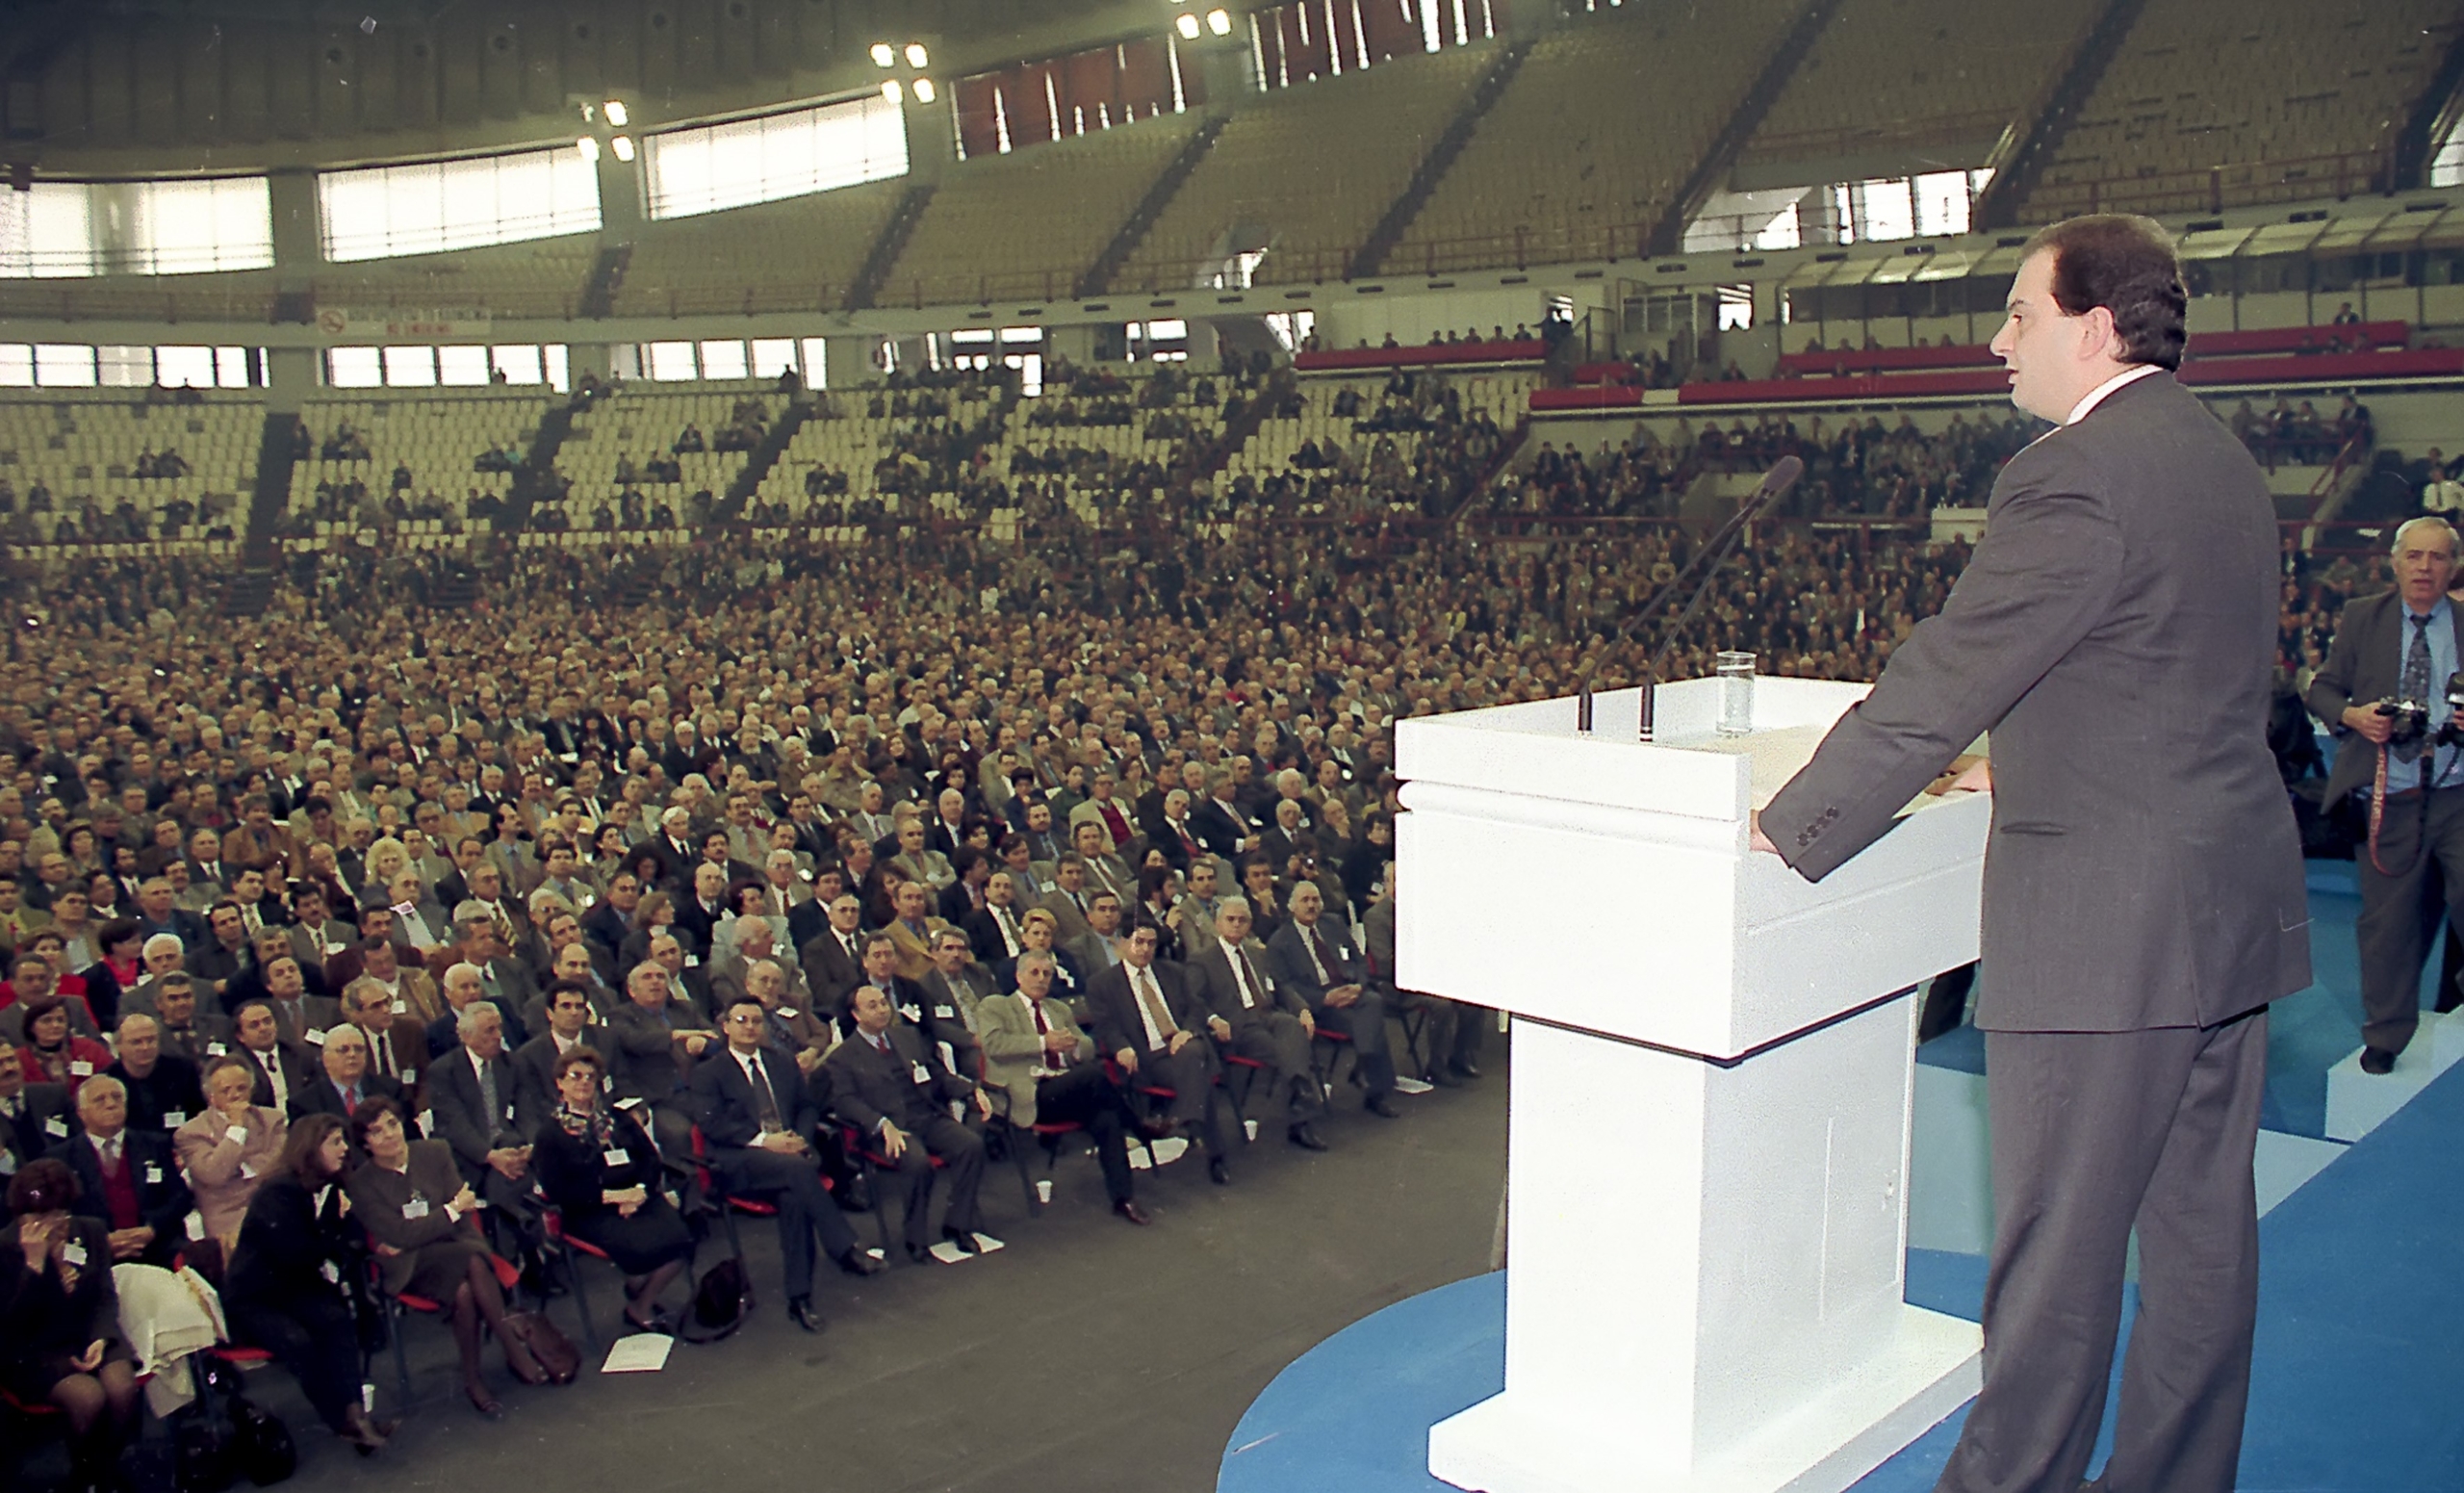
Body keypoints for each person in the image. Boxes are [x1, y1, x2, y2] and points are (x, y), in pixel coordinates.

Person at [1753, 214, 2310, 1493]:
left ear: (2095, 328)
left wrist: (1792, 820)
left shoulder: (2072, 472)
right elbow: (2161, 665)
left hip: (2105, 930)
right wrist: (2036, 754)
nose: (1998, 341)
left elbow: (1946, 676)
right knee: (2200, 1243)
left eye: (2019, 314)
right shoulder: (2220, 457)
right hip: (2226, 902)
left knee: (2055, 1260)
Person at [2303, 516, 2464, 1073]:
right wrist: (2353, 717)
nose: (2424, 567)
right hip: (2385, 796)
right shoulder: (2361, 617)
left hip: (2456, 794)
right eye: (2414, 556)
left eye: (2437, 557)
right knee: (2386, 928)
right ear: (2394, 563)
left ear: (2452, 567)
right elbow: (2323, 688)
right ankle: (2386, 1035)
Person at [689, 994, 885, 1333]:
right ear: (726, 1027)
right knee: (799, 1171)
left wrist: (800, 1139)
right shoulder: (709, 1073)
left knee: (795, 1196)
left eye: (756, 1021)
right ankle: (845, 1248)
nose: (750, 1027)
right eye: (741, 1021)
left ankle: (800, 1298)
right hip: (741, 1161)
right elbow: (712, 1124)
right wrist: (767, 1142)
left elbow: (807, 1106)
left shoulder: (780, 1062)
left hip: (791, 1157)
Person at [345, 1097, 550, 1416]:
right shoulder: (362, 1183)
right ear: (365, 1144)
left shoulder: (435, 1151)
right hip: (411, 1265)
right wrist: (449, 1212)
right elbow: (403, 1234)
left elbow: (460, 1218)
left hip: (455, 1247)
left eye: (392, 1124)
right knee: (471, 1260)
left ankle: (473, 1381)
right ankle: (513, 1348)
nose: (389, 1135)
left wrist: (431, 1225)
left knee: (465, 1290)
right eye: (376, 1132)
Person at [223, 1115, 394, 1454]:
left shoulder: (330, 1187)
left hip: (294, 1287)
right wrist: (334, 1228)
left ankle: (356, 1415)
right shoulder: (279, 1191)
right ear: (311, 1147)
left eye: (343, 1141)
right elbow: (297, 1253)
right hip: (254, 1297)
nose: (345, 1149)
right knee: (298, 1341)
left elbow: (344, 1246)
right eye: (335, 1142)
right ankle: (342, 1422)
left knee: (337, 1320)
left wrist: (339, 1230)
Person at [0, 1159, 143, 1490]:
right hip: (35, 1352)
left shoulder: (90, 1231)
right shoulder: (5, 1248)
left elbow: (104, 1296)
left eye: (60, 1215)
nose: (53, 1225)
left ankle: (106, 1469)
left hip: (87, 1334)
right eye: (40, 1218)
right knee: (88, 1397)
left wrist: (101, 1338)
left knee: (122, 1387)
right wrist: (35, 1268)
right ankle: (83, 1474)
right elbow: (11, 1327)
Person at [976, 950, 1148, 1223]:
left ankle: (1123, 1199)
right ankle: (1140, 1127)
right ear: (1018, 976)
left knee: (1106, 1117)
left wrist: (1074, 1046)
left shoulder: (1059, 1009)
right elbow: (993, 1045)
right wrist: (1043, 1042)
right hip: (1031, 1094)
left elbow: (1088, 1046)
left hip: (1068, 1089)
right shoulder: (996, 1006)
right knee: (1093, 1076)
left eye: (1047, 974)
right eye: (1034, 972)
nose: (1041, 979)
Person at [823, 984, 992, 1261]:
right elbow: (845, 1102)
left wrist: (971, 1091)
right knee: (917, 1161)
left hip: (926, 1116)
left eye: (883, 1003)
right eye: (872, 1006)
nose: (882, 1010)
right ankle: (915, 1237)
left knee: (970, 1145)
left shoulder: (907, 1036)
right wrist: (881, 1123)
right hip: (889, 1128)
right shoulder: (843, 1056)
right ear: (856, 1014)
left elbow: (937, 1075)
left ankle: (958, 1224)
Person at [532, 1046, 693, 1334]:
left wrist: (640, 1191)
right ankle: (641, 1301)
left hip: (638, 1197)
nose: (584, 1082)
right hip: (590, 1209)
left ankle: (640, 1300)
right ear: (560, 1082)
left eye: (590, 1077)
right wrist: (613, 1197)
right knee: (645, 1250)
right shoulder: (550, 1134)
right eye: (575, 1076)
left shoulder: (618, 1118)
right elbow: (558, 1190)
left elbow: (650, 1159)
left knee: (683, 1240)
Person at [1088, 923, 1232, 1184]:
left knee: (1193, 1053)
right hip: (1148, 1059)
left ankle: (1193, 1124)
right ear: (1123, 943)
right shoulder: (1103, 984)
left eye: (1151, 943)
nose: (1145, 949)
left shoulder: (1173, 972)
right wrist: (1121, 1047)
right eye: (1139, 942)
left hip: (1183, 1047)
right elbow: (1105, 1026)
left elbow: (1196, 1008)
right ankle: (1210, 1148)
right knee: (1198, 1070)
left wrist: (1186, 1031)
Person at [1189, 895, 1326, 1150]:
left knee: (1291, 1025)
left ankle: (1300, 1094)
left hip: (1267, 1013)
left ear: (1249, 925)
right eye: (1230, 919)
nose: (1236, 924)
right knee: (1284, 1050)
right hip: (1238, 1024)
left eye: (1242, 920)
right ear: (1218, 923)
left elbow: (1281, 986)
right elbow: (1193, 1000)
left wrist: (1302, 1008)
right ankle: (1301, 1113)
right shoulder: (1203, 959)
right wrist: (1213, 1019)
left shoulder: (1257, 953)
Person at [1266, 882, 1400, 1120]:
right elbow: (1285, 987)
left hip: (1348, 990)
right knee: (1369, 1021)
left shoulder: (1333, 924)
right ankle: (1374, 1089)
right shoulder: (1279, 942)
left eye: (1315, 899)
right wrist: (1324, 998)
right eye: (1305, 900)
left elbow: (1360, 960)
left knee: (1372, 1001)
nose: (1311, 905)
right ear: (1292, 906)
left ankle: (1364, 1065)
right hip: (1318, 1005)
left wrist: (1358, 986)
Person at [54, 1073, 192, 1268]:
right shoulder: (61, 1159)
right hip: (94, 1256)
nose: (111, 1104)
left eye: (117, 1097)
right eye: (100, 1100)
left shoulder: (155, 1145)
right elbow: (60, 1216)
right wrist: (101, 1241)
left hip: (159, 1249)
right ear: (81, 1113)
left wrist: (151, 1229)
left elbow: (181, 1198)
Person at [172, 1054, 288, 1255]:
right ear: (211, 1096)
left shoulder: (273, 1120)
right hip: (228, 1218)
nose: (235, 1096)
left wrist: (238, 1169)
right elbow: (214, 1174)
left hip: (275, 1210)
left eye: (241, 1088)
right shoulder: (191, 1133)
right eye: (226, 1090)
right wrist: (236, 1129)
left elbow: (282, 1164)